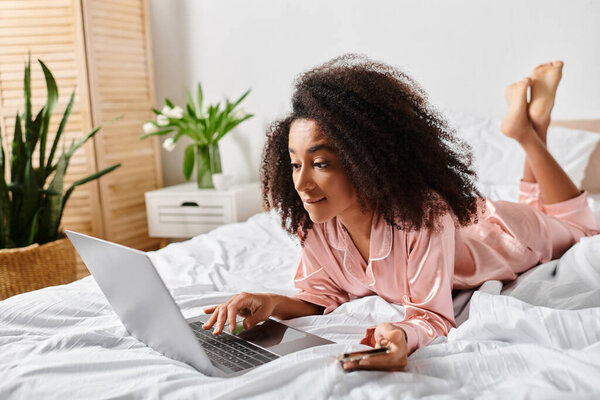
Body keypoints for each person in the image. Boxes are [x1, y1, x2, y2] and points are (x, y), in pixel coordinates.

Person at [202, 54, 599, 372]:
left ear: (365, 160)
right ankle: (535, 123)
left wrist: (403, 338)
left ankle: (525, 134)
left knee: (578, 226)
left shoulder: (423, 216)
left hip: (505, 237)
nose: (302, 185)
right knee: (533, 200)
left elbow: (432, 316)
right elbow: (322, 296)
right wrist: (270, 302)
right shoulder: (319, 221)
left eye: (321, 164)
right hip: (466, 227)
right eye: (294, 164)